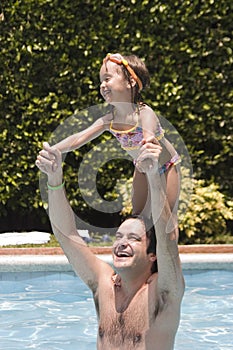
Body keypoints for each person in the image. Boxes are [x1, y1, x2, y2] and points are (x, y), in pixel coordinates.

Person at [36, 138, 184, 350]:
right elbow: (67, 236)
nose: (122, 243)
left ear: (153, 255)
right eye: (119, 237)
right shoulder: (103, 284)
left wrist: (153, 177)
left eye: (133, 239)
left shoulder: (163, 292)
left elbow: (168, 242)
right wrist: (54, 179)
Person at [51, 53, 181, 220]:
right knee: (139, 219)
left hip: (167, 167)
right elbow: (79, 138)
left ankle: (167, 244)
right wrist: (54, 149)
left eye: (107, 79)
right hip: (141, 168)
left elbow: (149, 138)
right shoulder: (109, 120)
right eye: (101, 81)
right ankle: (145, 245)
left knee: (168, 221)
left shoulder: (144, 113)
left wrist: (148, 140)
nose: (102, 85)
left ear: (130, 82)